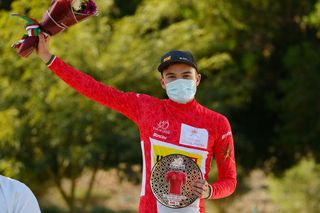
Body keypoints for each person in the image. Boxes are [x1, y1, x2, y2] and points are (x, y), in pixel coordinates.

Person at [36, 34, 236, 213]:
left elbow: (230, 180)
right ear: (163, 83)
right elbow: (94, 89)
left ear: (198, 79)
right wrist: (48, 58)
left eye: (186, 76)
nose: (179, 81)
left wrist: (210, 191)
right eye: (171, 77)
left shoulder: (217, 123)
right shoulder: (146, 107)